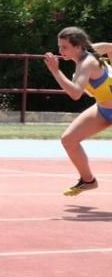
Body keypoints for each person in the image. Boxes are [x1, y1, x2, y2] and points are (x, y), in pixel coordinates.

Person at [43, 27, 112, 196]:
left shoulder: (87, 62)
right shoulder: (89, 53)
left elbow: (75, 93)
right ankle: (88, 180)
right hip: (104, 109)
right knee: (69, 140)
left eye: (64, 47)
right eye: (59, 47)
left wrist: (55, 71)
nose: (60, 51)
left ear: (78, 46)